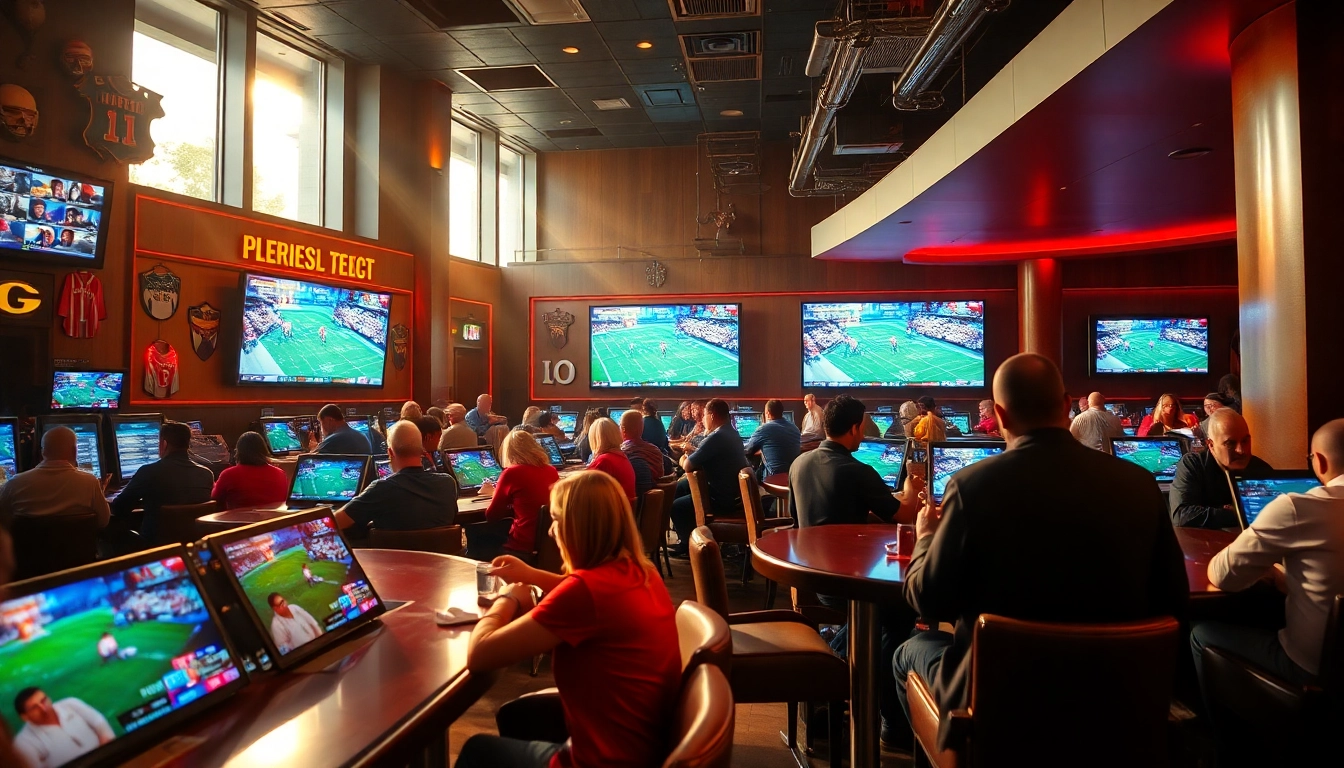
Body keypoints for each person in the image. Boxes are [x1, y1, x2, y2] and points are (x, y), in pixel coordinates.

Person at [893, 354, 1188, 751]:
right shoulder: (1139, 483)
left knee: (907, 651)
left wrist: (926, 535)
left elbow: (927, 600)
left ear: (999, 415)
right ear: (1067, 405)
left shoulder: (971, 486)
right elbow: (1174, 600)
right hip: (1116, 703)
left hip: (1000, 710)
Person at [457, 472, 680, 768]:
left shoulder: (584, 593)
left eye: (557, 520)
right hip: (645, 743)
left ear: (578, 527)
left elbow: (480, 655)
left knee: (479, 749)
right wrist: (531, 576)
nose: (551, 531)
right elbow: (586, 595)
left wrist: (506, 599)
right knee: (518, 715)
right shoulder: (640, 571)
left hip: (605, 760)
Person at [1189, 418, 1344, 756]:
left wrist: (1270, 569)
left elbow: (1222, 575)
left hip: (1315, 673)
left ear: (1318, 462)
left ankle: (1223, 749)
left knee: (1200, 634)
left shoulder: (1297, 505)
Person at [788, 393, 925, 744]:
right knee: (898, 614)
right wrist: (912, 486)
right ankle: (888, 718)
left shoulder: (799, 464)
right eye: (862, 426)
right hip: (850, 585)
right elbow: (905, 515)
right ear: (854, 427)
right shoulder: (858, 470)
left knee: (886, 620)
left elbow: (799, 521)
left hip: (811, 576)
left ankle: (838, 661)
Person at [336, 421, 459, 535]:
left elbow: (335, 522)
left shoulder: (381, 488)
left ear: (390, 452)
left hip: (391, 558)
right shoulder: (448, 483)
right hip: (440, 557)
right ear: (422, 451)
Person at [110, 421, 214, 545]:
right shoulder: (207, 474)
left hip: (155, 546)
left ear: (164, 444)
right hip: (191, 545)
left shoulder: (149, 471)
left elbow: (118, 508)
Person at [1169, 408, 1273, 529]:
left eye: (1245, 441)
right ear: (1211, 445)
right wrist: (1238, 513)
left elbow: (1277, 515)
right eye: (1230, 443)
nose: (1241, 450)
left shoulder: (1261, 470)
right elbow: (1182, 516)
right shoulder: (1193, 465)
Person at [670, 399, 748, 556]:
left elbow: (687, 465)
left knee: (676, 506)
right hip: (730, 494)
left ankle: (690, 546)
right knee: (681, 487)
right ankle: (689, 539)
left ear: (711, 416)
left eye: (704, 415)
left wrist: (685, 457)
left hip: (720, 499)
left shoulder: (717, 436)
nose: (703, 419)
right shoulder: (731, 433)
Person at [0, 427, 110, 528]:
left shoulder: (14, 484)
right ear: (75, 451)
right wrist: (99, 492)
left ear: (42, 452)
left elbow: (3, 522)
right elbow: (103, 521)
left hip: (30, 549)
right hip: (79, 549)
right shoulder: (90, 483)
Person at [480, 430, 559, 555]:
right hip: (550, 544)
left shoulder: (511, 473)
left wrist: (497, 494)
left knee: (479, 540)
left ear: (509, 452)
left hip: (521, 545)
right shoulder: (551, 470)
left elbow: (492, 515)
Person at [12, 687, 113, 768]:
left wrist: (105, 750)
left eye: (43, 700)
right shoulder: (24, 742)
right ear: (24, 717)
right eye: (35, 707)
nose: (43, 708)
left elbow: (100, 723)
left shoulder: (71, 704)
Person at [211, 432, 288, 510]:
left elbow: (214, 498)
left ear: (238, 452)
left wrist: (212, 484)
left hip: (240, 521)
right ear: (264, 450)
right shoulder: (280, 473)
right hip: (276, 520)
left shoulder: (229, 474)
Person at [745, 399, 802, 482]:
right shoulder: (795, 428)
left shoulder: (764, 429)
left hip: (774, 476)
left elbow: (748, 450)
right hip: (794, 475)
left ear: (767, 413)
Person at [587, 417, 637, 502]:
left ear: (595, 438)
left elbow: (581, 487)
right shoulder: (621, 457)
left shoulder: (604, 461)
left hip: (610, 513)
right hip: (624, 511)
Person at [620, 411, 663, 496]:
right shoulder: (655, 450)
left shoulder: (623, 453)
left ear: (623, 429)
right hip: (655, 501)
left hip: (634, 499)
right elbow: (660, 476)